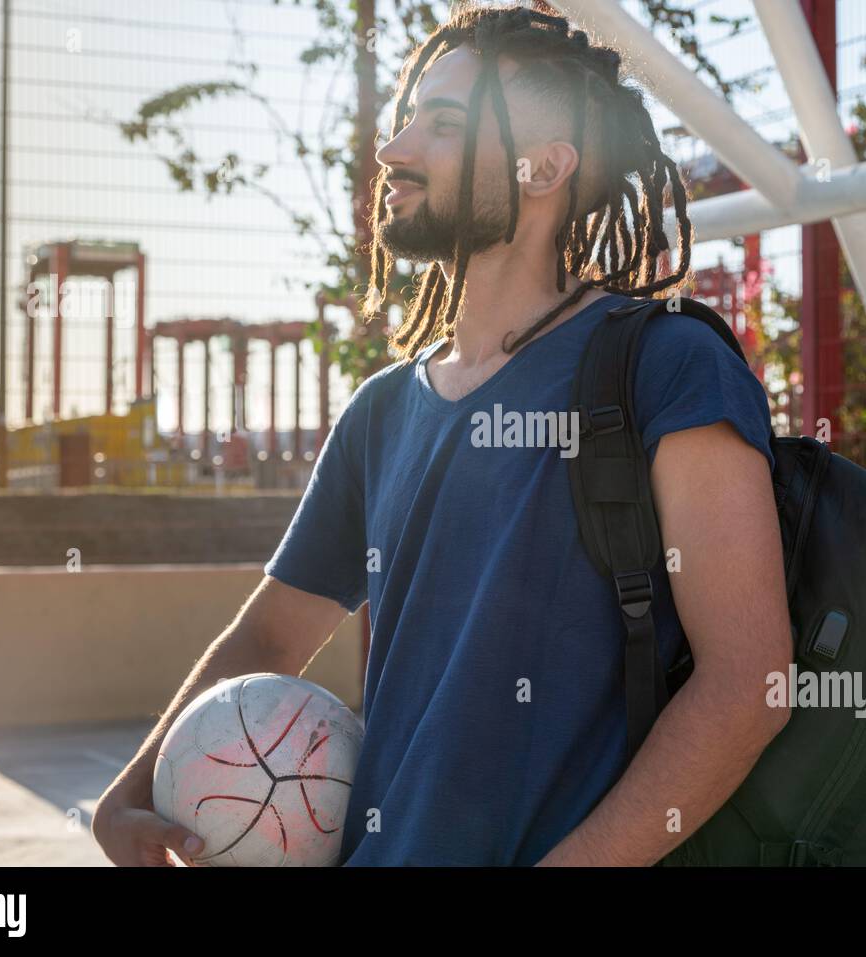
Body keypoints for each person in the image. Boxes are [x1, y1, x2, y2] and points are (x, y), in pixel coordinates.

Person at [93, 3, 791, 867]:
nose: (395, 150)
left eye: (445, 124)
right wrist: (126, 797)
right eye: (406, 118)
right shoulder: (380, 411)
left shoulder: (666, 367)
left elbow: (748, 683)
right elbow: (267, 641)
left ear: (545, 168)